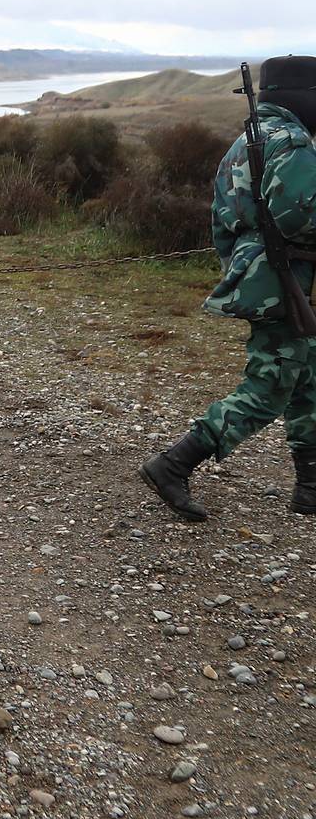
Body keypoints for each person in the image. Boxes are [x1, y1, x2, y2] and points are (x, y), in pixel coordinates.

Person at [142, 55, 316, 522]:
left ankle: (310, 485)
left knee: (308, 375)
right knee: (271, 383)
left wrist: (239, 266)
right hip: (286, 280)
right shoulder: (294, 143)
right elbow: (299, 216)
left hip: (264, 277)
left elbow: (222, 221)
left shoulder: (245, 142)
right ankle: (174, 463)